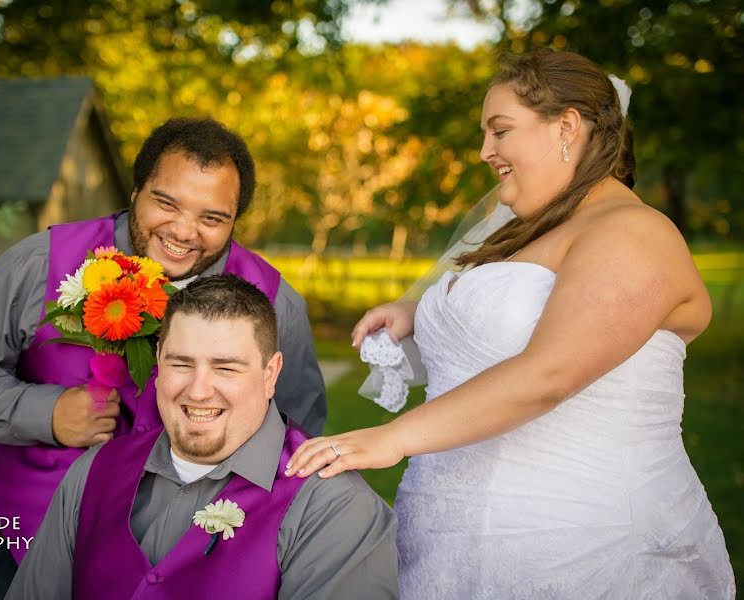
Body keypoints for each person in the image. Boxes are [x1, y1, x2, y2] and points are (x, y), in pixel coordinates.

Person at [287, 49, 736, 598]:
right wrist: (422, 314)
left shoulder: (634, 231)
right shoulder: (539, 233)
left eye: (500, 131)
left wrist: (391, 438)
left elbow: (551, 373)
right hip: (450, 543)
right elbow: (507, 329)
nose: (484, 152)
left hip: (582, 548)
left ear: (566, 126)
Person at [0, 118, 326, 598]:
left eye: (212, 217)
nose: (183, 231)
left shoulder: (276, 301)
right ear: (135, 191)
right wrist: (48, 414)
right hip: (19, 537)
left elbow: (297, 432)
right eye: (165, 202)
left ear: (235, 220)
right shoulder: (40, 261)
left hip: (186, 559)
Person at [4, 274, 398, 600]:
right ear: (158, 361)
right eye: (180, 363)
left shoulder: (334, 506)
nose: (197, 390)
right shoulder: (94, 471)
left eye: (225, 368)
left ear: (270, 374)